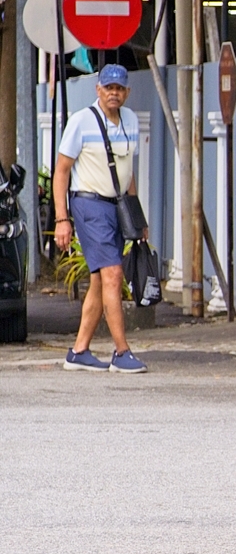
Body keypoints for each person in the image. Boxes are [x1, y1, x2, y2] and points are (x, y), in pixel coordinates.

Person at [53, 64, 147, 373]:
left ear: (127, 92)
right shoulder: (81, 122)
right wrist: (61, 219)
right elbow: (62, 172)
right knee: (112, 275)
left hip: (117, 206)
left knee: (98, 280)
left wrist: (137, 218)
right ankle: (121, 352)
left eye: (119, 89)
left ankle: (79, 350)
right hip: (89, 205)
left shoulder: (130, 121)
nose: (114, 93)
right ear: (98, 90)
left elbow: (127, 173)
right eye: (109, 88)